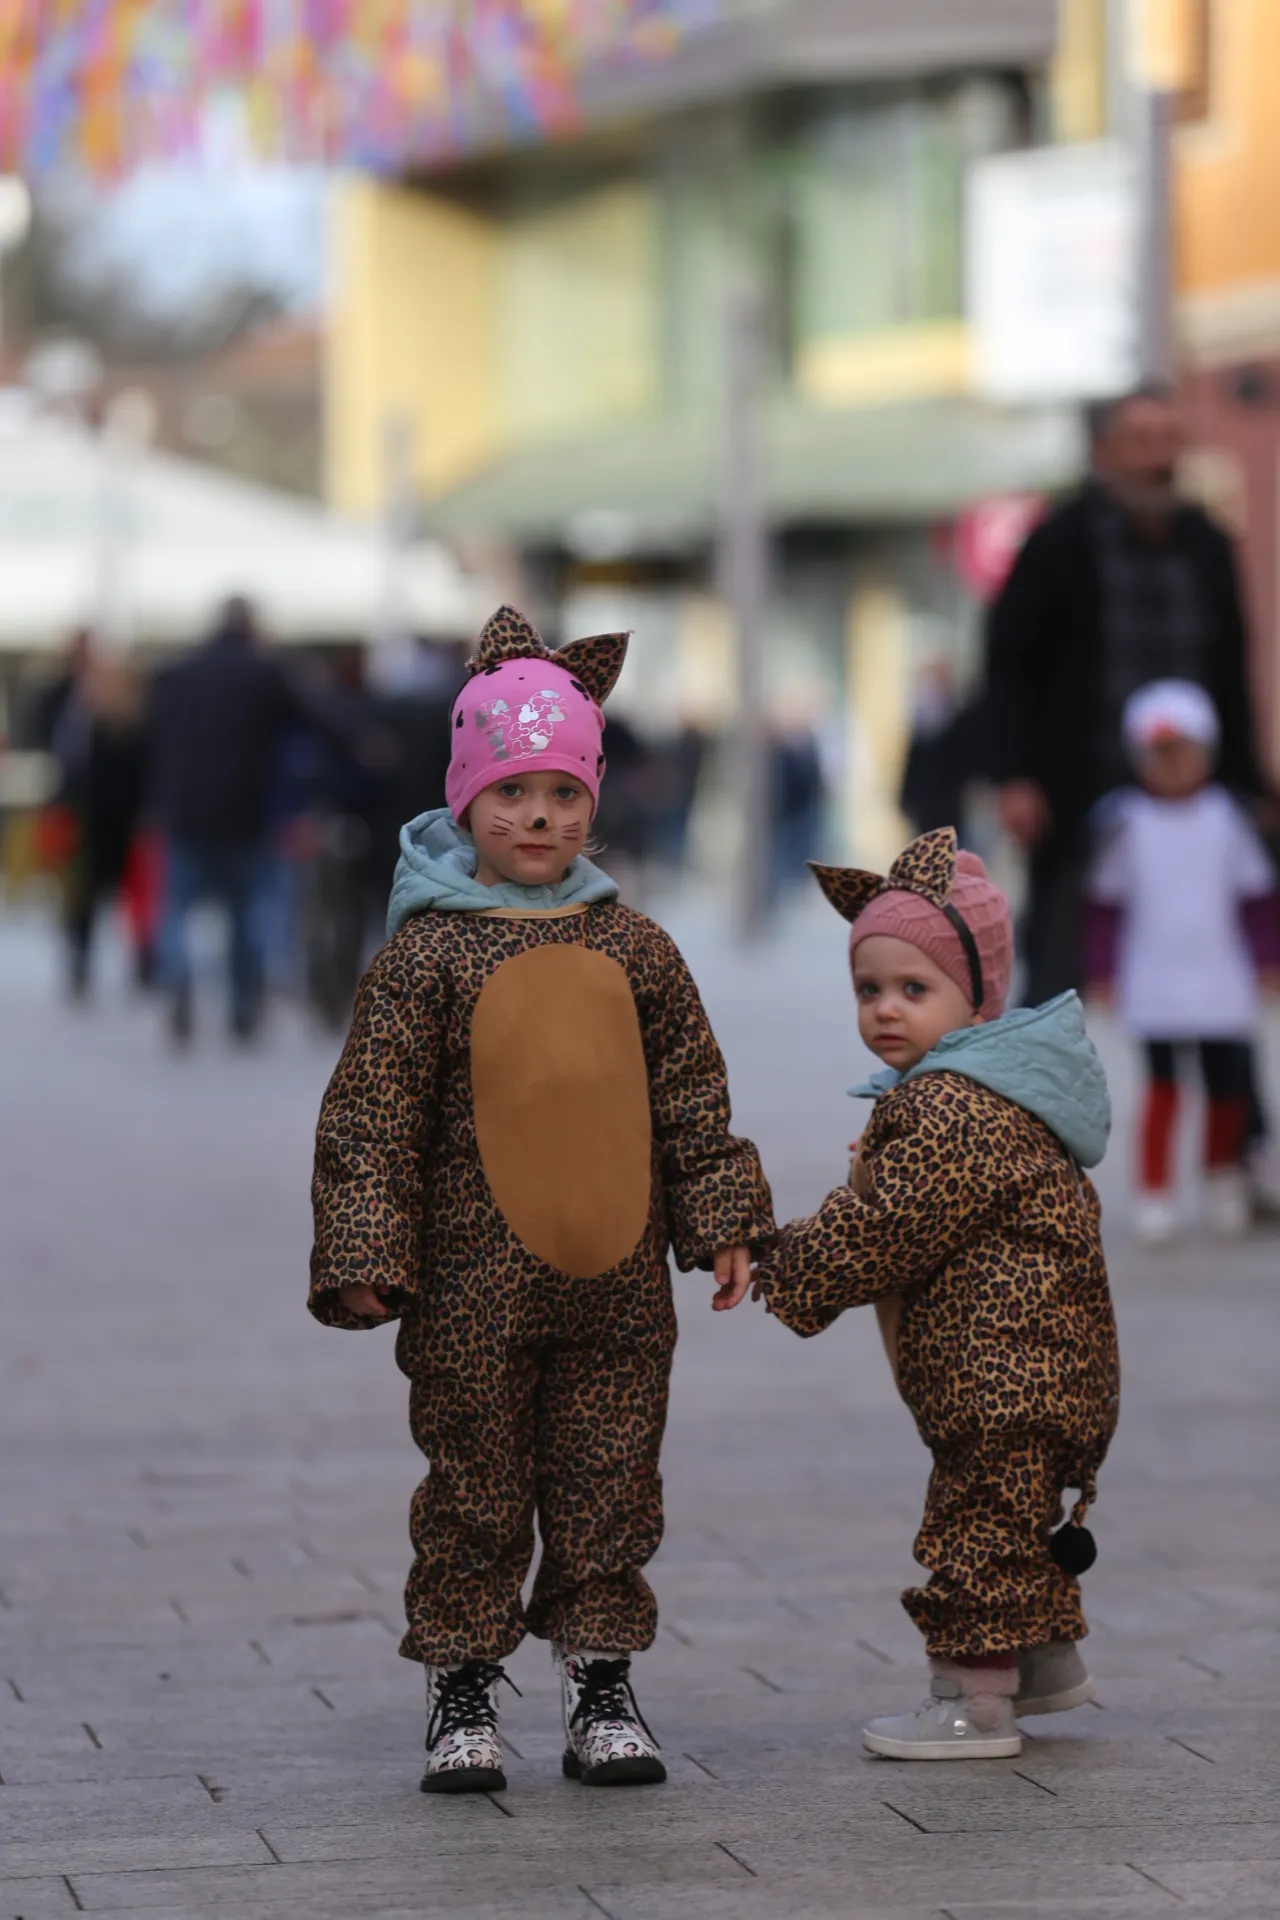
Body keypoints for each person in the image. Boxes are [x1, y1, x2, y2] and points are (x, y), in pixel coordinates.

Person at [307, 605, 775, 1795]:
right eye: (511, 793)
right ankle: (461, 1683)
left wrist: (720, 1218)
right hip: (471, 1293)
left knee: (612, 1482)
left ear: (594, 803)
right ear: (466, 799)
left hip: (616, 1285)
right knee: (473, 1487)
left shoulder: (638, 948)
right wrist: (365, 1245)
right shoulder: (425, 957)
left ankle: (601, 1678)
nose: (538, 818)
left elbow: (690, 1100)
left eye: (562, 794)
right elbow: (371, 1116)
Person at [754, 828, 1118, 1762]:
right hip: (1037, 1364)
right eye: (868, 990)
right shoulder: (982, 1095)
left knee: (974, 1524)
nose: (884, 1011)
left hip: (1002, 1371)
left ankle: (975, 1702)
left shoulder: (949, 1105)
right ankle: (1043, 1666)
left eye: (915, 990)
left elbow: (885, 1228)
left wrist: (785, 1262)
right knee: (1011, 1517)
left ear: (978, 997)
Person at [985, 385, 1265, 1005]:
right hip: (1078, 788)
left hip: (1195, 796)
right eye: (1141, 441)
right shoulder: (1057, 542)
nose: (1157, 458)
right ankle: (1037, 1099)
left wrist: (1248, 785)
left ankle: (1234, 1103)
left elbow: (1231, 672)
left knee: (1216, 972)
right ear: (1104, 450)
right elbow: (1008, 666)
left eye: (1170, 441)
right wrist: (1013, 774)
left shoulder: (1207, 544)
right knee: (1057, 975)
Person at [1084, 682, 1280, 1244]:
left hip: (1221, 974)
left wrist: (1267, 962)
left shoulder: (1229, 818)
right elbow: (1104, 906)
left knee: (1227, 1088)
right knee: (1163, 1089)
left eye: (1182, 751)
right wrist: (1103, 972)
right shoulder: (1124, 821)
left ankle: (1222, 1177)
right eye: (1158, 753)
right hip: (1155, 976)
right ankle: (1156, 1191)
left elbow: (1256, 900)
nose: (1171, 765)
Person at [149, 597, 334, 1043]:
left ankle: (177, 976)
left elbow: (154, 743)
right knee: (244, 911)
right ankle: (242, 1009)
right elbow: (316, 722)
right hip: (246, 812)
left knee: (176, 906)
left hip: (183, 809)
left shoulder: (178, 674)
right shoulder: (264, 673)